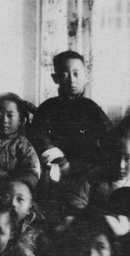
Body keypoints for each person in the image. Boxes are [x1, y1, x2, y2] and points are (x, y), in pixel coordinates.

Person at [29, 50, 113, 183]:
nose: (72, 80)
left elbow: (109, 135)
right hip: (57, 165)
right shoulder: (48, 107)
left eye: (76, 74)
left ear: (85, 76)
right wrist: (57, 159)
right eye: (64, 75)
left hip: (87, 166)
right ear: (55, 78)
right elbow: (39, 136)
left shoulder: (91, 108)